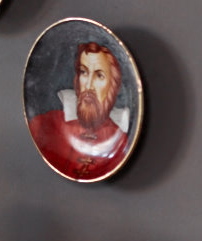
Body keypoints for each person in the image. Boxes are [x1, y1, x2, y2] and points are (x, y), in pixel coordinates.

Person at [27, 41, 132, 180]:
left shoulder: (119, 142)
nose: (88, 86)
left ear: (112, 86)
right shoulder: (45, 124)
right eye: (84, 72)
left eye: (99, 76)